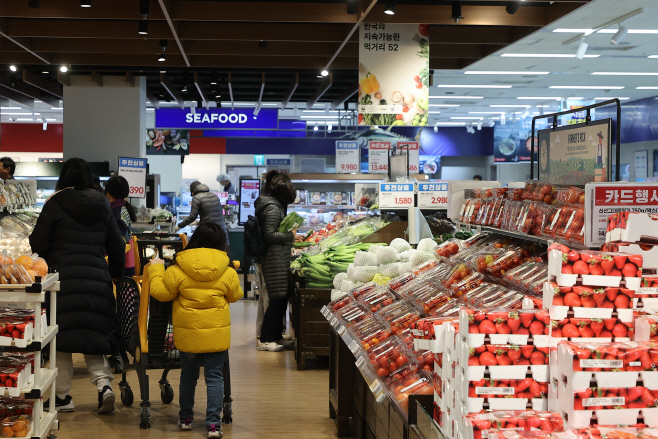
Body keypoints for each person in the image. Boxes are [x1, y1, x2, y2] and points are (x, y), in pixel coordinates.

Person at [29, 158, 125, 414]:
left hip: (63, 281)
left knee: (62, 338)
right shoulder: (102, 203)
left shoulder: (55, 203)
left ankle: (62, 397)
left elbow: (37, 243)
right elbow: (117, 245)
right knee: (93, 334)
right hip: (96, 278)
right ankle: (104, 385)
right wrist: (113, 275)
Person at [148, 222, 243, 439]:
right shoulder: (226, 269)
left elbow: (160, 292)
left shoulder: (177, 268)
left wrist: (155, 268)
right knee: (215, 377)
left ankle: (186, 419)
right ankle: (212, 425)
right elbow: (235, 296)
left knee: (188, 376)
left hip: (188, 333)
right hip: (216, 334)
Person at [254, 171, 297, 352]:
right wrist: (290, 236)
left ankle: (276, 337)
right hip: (274, 258)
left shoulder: (273, 205)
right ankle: (265, 340)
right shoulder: (272, 208)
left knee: (280, 298)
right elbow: (270, 234)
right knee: (277, 300)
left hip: (278, 257)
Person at [178, 181, 229, 248]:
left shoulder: (197, 197)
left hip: (209, 232)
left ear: (193, 191)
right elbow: (213, 214)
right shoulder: (214, 195)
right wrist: (198, 222)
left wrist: (179, 226)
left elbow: (192, 217)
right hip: (222, 231)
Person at [104, 175, 137, 277]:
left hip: (121, 267)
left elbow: (118, 241)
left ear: (109, 192)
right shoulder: (121, 207)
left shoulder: (116, 212)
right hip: (127, 263)